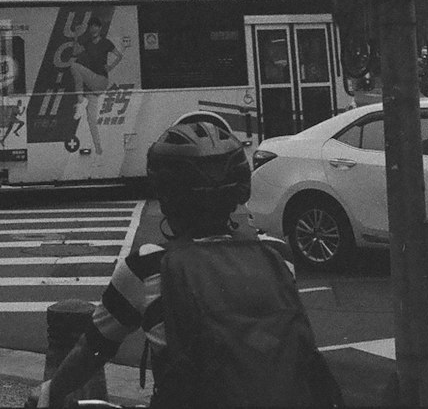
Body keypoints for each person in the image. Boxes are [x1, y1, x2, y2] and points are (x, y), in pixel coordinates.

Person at [28, 114, 342, 408]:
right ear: (239, 190)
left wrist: (48, 393)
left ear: (166, 196)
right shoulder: (277, 254)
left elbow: (92, 350)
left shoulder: (147, 267)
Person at [67, 15, 122, 156]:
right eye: (91, 26)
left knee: (74, 66)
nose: (93, 29)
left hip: (100, 81)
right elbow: (74, 52)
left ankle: (80, 100)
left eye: (96, 26)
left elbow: (119, 55)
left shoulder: (106, 43)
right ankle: (98, 148)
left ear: (100, 28)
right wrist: (76, 36)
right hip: (90, 84)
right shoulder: (87, 43)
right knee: (91, 119)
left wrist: (110, 67)